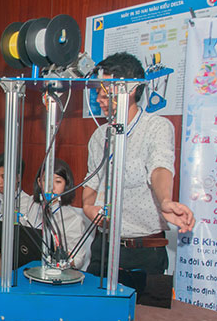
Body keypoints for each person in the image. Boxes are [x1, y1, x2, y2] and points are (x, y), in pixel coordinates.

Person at [82, 52, 194, 277]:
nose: (99, 99)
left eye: (104, 92)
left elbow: (160, 168)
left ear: (130, 89)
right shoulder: (99, 135)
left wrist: (165, 201)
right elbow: (92, 179)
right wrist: (87, 206)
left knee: (145, 314)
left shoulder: (156, 128)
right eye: (97, 92)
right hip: (102, 248)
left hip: (144, 253)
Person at [25, 159, 89, 269]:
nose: (52, 188)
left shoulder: (75, 219)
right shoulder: (31, 204)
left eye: (58, 182)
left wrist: (67, 258)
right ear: (40, 182)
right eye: (46, 181)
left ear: (66, 185)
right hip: (29, 265)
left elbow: (78, 260)